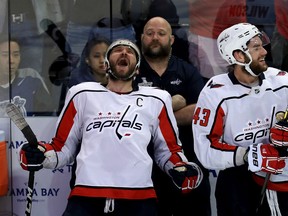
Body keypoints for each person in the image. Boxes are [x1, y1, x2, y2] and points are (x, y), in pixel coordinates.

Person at [18, 39, 203, 216]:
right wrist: (41, 153)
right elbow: (61, 147)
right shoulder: (82, 93)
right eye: (117, 50)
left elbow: (169, 150)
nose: (124, 52)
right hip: (86, 199)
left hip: (138, 200)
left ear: (137, 68)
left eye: (130, 52)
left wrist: (181, 168)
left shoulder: (157, 99)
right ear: (106, 65)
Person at [192, 22, 288, 216]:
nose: (264, 52)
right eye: (256, 47)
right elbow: (205, 149)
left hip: (277, 177)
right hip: (236, 181)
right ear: (238, 56)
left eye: (262, 45)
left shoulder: (282, 81)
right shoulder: (215, 93)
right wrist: (248, 155)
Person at [134, 17, 211, 216]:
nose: (155, 38)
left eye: (161, 33)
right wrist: (173, 103)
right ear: (142, 38)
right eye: (149, 33)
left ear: (172, 39)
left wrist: (155, 118)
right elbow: (125, 110)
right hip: (142, 167)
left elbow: (200, 110)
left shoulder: (186, 70)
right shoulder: (130, 72)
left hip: (187, 161)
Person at [0, 36, 53, 116]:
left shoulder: (31, 79)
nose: (11, 61)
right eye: (5, 55)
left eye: (16, 55)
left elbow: (47, 116)